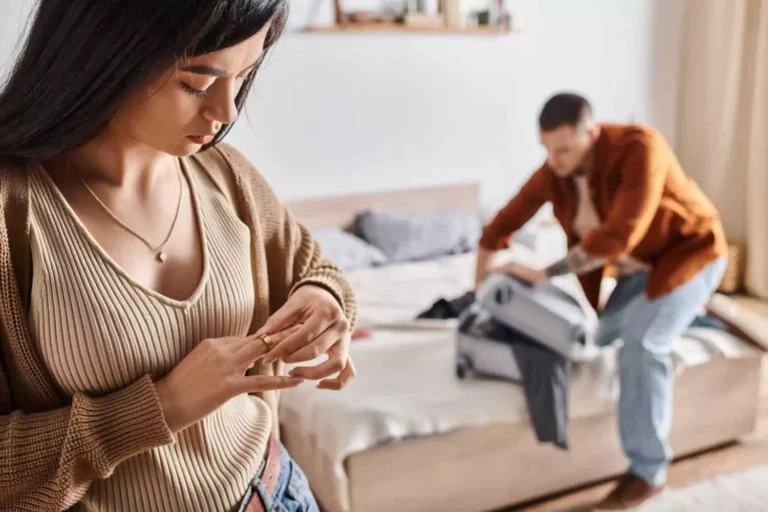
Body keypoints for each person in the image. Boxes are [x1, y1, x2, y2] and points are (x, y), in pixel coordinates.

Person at [0, 1, 357, 511]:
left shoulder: (225, 173)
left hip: (276, 494)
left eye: (245, 75)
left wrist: (322, 302)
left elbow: (312, 267)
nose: (227, 113)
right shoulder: (13, 207)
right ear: (102, 54)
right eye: (196, 83)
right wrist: (163, 406)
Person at [475, 93, 727, 510]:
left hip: (690, 254)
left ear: (589, 133)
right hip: (638, 269)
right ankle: (692, 316)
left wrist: (545, 272)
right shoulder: (555, 172)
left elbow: (619, 236)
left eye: (563, 150)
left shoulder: (641, 148)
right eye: (547, 150)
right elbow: (500, 226)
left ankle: (648, 472)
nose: (554, 160)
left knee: (643, 346)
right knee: (603, 334)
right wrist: (480, 286)